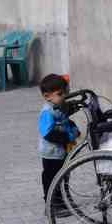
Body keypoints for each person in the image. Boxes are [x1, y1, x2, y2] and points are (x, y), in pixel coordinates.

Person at [36, 73, 79, 212]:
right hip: (51, 153)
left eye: (65, 93)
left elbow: (64, 120)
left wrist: (73, 128)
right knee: (51, 178)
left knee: (62, 176)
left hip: (61, 151)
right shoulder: (47, 112)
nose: (64, 97)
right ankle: (51, 204)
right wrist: (67, 137)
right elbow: (48, 133)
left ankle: (62, 200)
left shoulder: (58, 106)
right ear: (47, 96)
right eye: (60, 94)